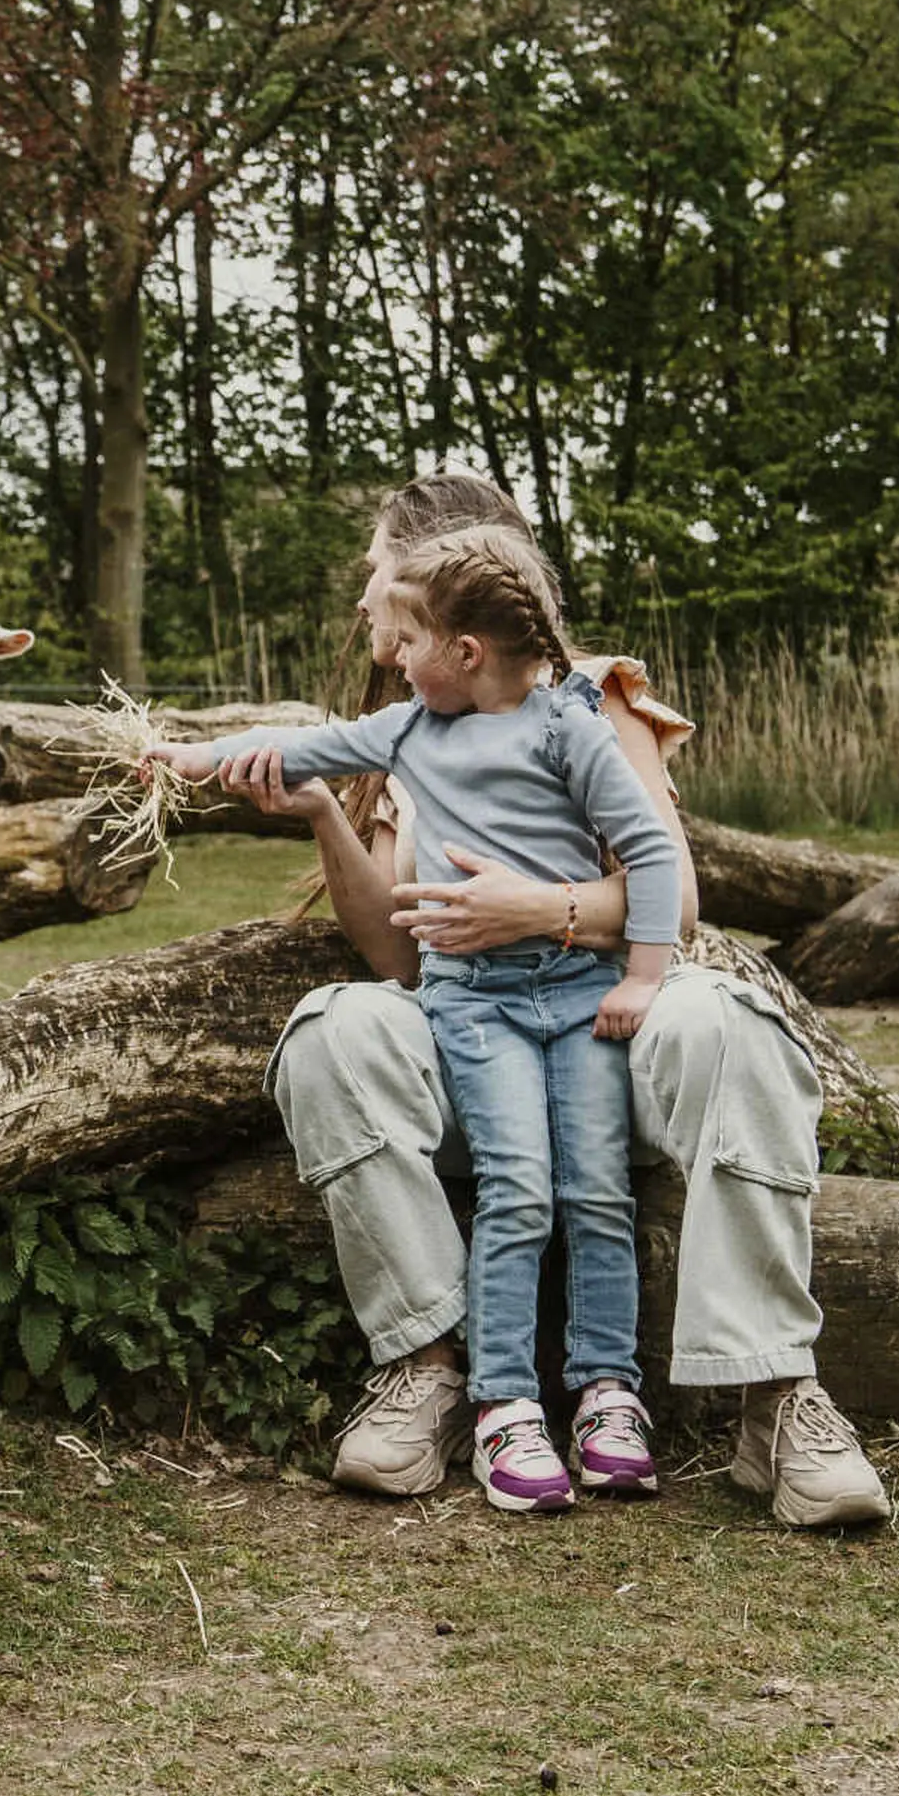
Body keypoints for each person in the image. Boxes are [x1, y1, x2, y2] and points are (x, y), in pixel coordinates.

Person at [236, 471, 893, 1530]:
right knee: (335, 1030)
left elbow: (671, 900)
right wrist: (322, 814)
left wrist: (539, 909)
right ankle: (430, 1371)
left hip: (602, 1038)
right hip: (477, 1044)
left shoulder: (587, 695)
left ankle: (777, 1394)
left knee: (727, 1019)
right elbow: (397, 954)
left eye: (374, 572)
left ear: (438, 586)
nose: (362, 598)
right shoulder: (411, 719)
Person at [149, 527, 684, 1513]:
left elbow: (651, 854)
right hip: (475, 1004)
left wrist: (643, 980)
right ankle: (504, 1405)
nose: (393, 659)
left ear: (466, 653)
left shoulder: (572, 727)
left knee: (597, 1188)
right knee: (520, 1185)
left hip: (576, 995)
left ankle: (610, 1395)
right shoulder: (410, 735)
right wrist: (187, 753)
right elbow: (295, 749)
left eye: (409, 644)